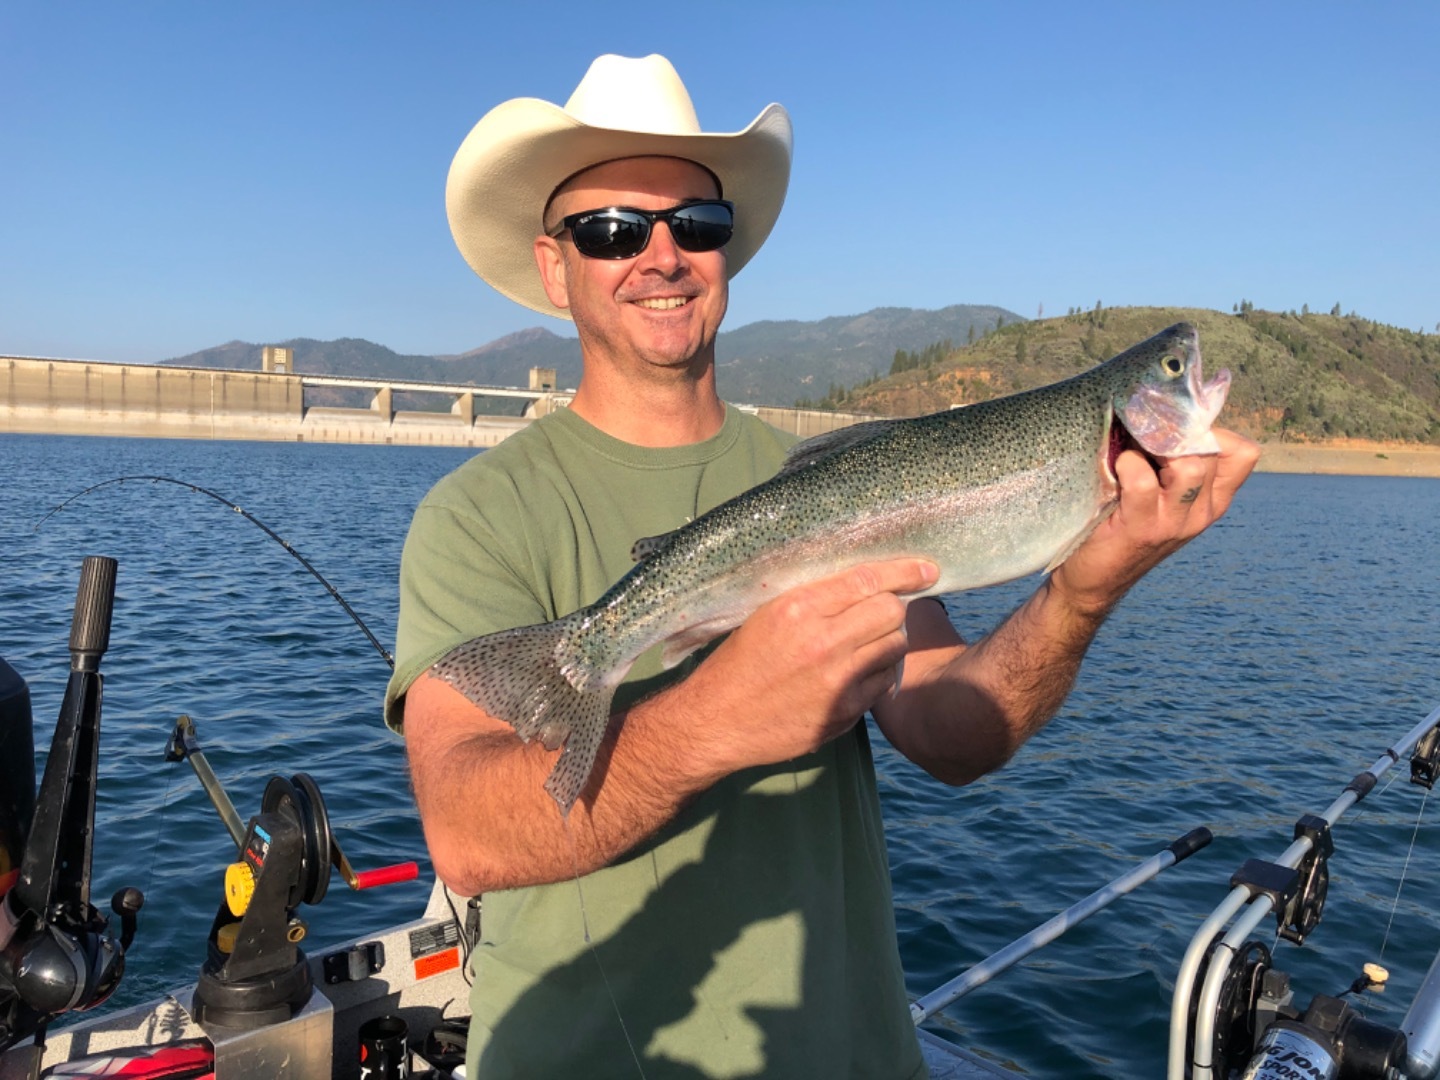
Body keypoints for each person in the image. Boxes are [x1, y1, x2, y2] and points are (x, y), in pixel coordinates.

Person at [386, 54, 1259, 1080]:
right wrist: (713, 718)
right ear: (553, 265)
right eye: (613, 230)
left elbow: (950, 731)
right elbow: (467, 836)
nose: (661, 255)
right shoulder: (477, 517)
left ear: (728, 253)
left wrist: (1084, 589)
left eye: (696, 227)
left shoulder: (850, 476)